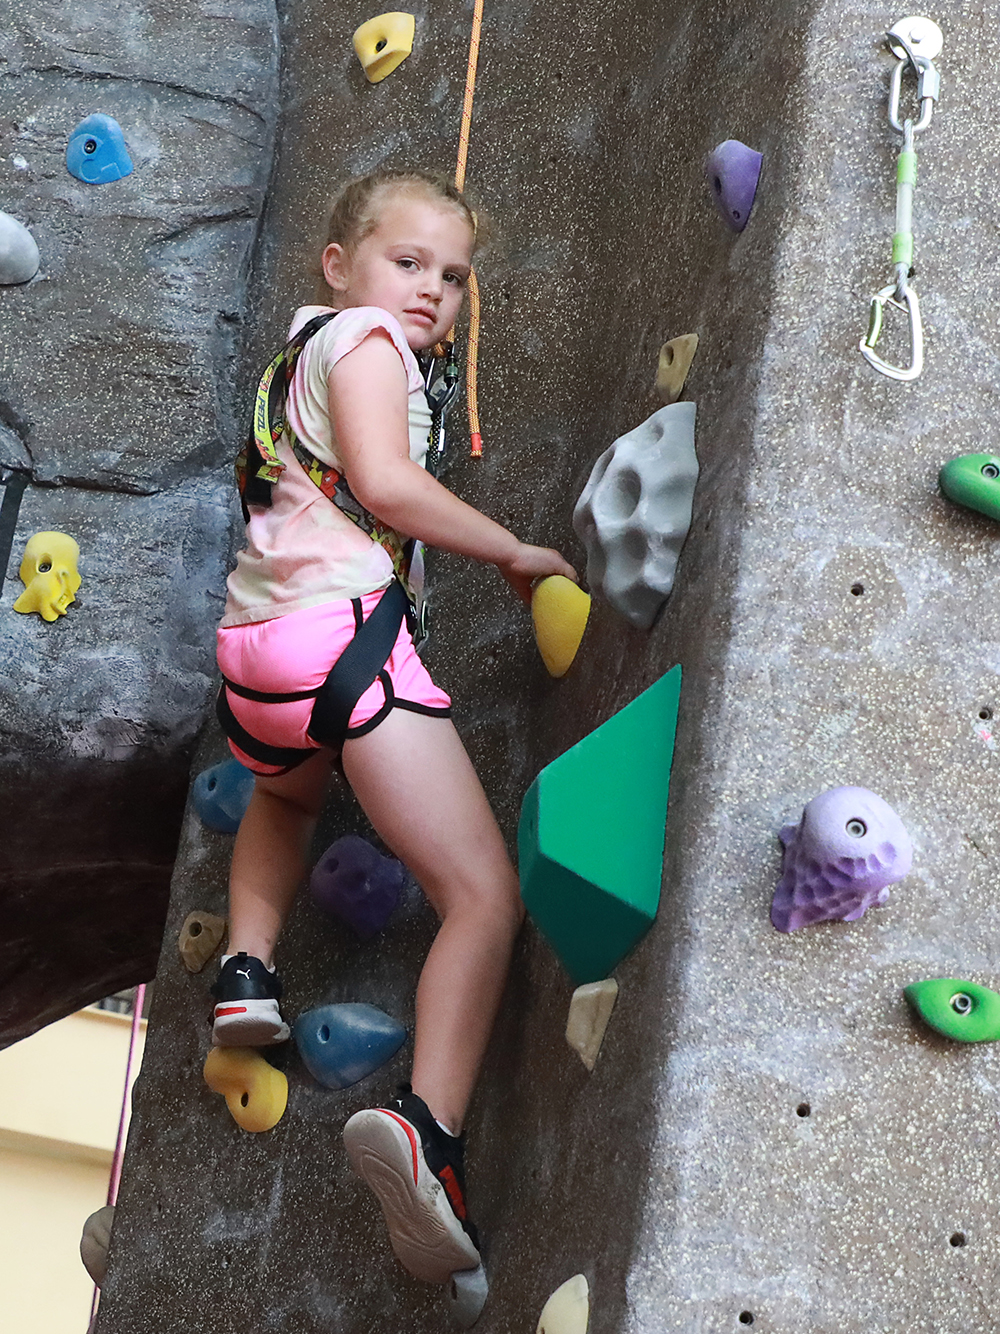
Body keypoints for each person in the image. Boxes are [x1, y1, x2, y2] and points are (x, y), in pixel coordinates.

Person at [208, 167, 576, 1285]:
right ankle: (429, 1126)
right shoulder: (365, 343)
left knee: (282, 793)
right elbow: (382, 480)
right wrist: (513, 549)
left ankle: (246, 967)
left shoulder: (296, 359)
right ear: (340, 265)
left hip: (256, 653)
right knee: (483, 894)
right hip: (341, 641)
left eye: (452, 277)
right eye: (406, 261)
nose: (428, 293)